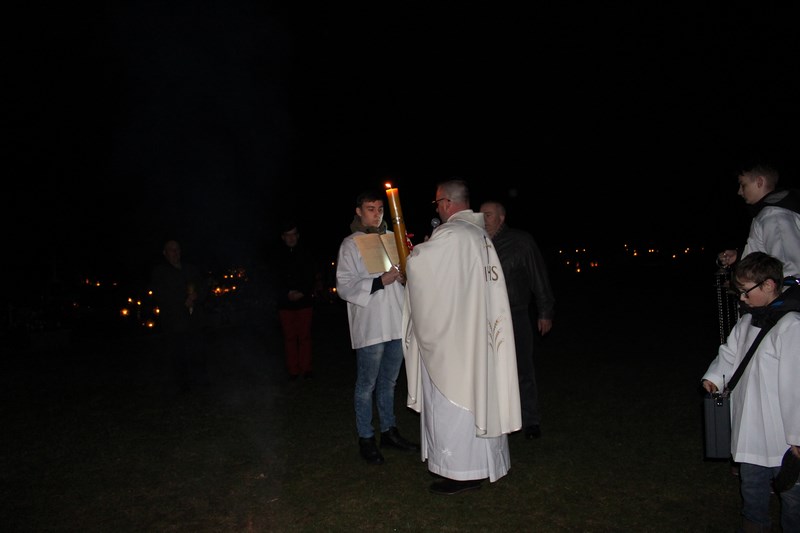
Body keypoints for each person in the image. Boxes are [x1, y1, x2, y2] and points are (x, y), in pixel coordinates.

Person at [402, 179, 522, 495]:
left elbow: (419, 269)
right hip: (474, 335)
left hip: (455, 342)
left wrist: (412, 255)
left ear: (445, 202)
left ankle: (461, 472)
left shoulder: (452, 235)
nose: (438, 209)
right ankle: (482, 465)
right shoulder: (479, 234)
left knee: (453, 403)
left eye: (437, 203)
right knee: (481, 396)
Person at [701, 252, 800, 532]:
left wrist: (798, 435)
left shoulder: (791, 326)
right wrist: (714, 378)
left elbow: (796, 384)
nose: (742, 299)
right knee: (752, 493)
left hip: (783, 439)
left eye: (746, 291)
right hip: (751, 432)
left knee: (792, 498)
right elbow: (729, 354)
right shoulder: (747, 321)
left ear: (769, 285)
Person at [335, 190, 420, 465]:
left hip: (396, 321)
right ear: (359, 211)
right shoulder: (350, 244)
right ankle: (366, 437)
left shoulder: (393, 239)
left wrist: (406, 275)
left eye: (380, 209)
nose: (377, 213)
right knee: (366, 384)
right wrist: (379, 281)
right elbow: (344, 285)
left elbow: (408, 277)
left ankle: (389, 431)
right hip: (371, 323)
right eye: (370, 209)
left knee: (389, 382)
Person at [480, 200, 555, 440]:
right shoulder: (477, 241)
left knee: (522, 368)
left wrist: (545, 312)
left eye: (488, 215)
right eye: (481, 215)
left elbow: (538, 276)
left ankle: (530, 421)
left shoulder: (520, 241)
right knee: (490, 370)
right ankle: (498, 419)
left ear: (501, 217)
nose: (483, 219)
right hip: (485, 316)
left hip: (516, 313)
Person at [717, 164, 800, 278]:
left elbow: (791, 270)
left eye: (743, 185)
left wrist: (779, 289)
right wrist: (739, 255)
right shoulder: (765, 214)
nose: (739, 192)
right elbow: (765, 256)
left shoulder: (774, 216)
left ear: (760, 182)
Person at [150, 239, 210, 393]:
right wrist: (183, 300)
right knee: (179, 353)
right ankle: (183, 385)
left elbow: (202, 286)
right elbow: (161, 295)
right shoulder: (160, 272)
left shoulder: (190, 269)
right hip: (175, 321)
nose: (175, 252)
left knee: (198, 350)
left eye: (177, 249)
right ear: (165, 253)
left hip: (194, 319)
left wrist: (196, 296)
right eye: (172, 250)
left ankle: (201, 380)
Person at [274, 220, 316, 380]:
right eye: (288, 235)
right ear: (283, 237)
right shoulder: (277, 256)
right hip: (285, 303)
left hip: (304, 302)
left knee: (304, 336)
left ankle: (306, 369)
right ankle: (293, 370)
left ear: (298, 236)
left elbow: (311, 276)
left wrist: (302, 292)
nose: (291, 238)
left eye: (293, 235)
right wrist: (286, 293)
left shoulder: (306, 254)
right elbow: (274, 278)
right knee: (289, 337)